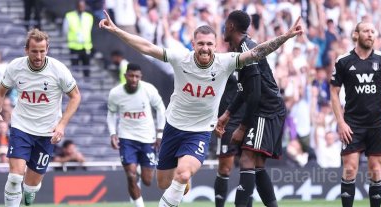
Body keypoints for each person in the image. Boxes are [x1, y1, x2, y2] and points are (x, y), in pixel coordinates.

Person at [99, 10, 302, 207]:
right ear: (193, 44)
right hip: (173, 127)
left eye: (209, 44)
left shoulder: (225, 62)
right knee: (163, 183)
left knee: (184, 173)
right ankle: (181, 182)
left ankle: (179, 183)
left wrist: (286, 36)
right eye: (201, 44)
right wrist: (117, 31)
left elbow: (258, 51)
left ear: (216, 45)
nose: (205, 48)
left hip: (199, 132)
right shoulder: (181, 59)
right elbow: (147, 47)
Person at [0, 28, 81, 207]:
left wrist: (62, 125)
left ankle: (28, 196)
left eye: (42, 51)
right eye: (34, 51)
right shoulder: (16, 66)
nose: (38, 56)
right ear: (26, 50)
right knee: (15, 176)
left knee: (31, 188)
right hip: (21, 127)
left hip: (46, 132)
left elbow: (76, 96)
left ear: (47, 49)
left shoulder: (58, 69)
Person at [216, 10, 285, 207]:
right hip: (263, 108)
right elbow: (244, 89)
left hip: (267, 109)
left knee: (247, 158)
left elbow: (254, 93)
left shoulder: (247, 48)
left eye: (225, 24)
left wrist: (243, 126)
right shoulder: (240, 50)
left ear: (230, 26)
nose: (223, 28)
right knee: (257, 165)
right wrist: (227, 114)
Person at [330, 21, 381, 207]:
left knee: (376, 171)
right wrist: (340, 122)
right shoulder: (343, 61)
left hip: (377, 125)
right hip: (352, 124)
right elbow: (334, 93)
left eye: (372, 31)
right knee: (350, 169)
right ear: (356, 34)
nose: (370, 34)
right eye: (366, 31)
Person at [107, 63, 166, 207]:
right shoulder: (115, 93)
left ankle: (139, 170)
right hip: (127, 138)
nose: (133, 79)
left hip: (148, 138)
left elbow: (160, 109)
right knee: (130, 175)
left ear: (141, 77)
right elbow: (111, 114)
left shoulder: (148, 90)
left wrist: (160, 133)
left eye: (137, 76)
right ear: (125, 76)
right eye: (131, 76)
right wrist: (113, 133)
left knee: (147, 180)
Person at [213, 70, 250, 207]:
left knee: (248, 167)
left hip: (248, 120)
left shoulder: (254, 65)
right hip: (229, 122)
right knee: (225, 168)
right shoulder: (226, 64)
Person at [63, 0, 94, 77]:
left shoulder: (89, 16)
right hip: (74, 46)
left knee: (87, 69)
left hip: (86, 46)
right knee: (75, 69)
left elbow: (89, 30)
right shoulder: (69, 16)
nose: (81, 8)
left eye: (83, 6)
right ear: (77, 6)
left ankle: (87, 84)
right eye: (80, 6)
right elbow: (65, 30)